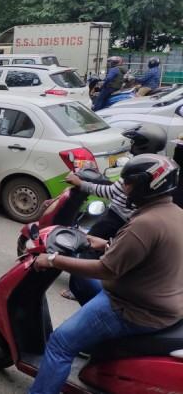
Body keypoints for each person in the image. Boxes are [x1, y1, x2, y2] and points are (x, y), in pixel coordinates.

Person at [29, 153, 183, 394]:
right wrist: (108, 245)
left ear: (146, 186)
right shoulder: (175, 213)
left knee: (60, 343)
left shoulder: (146, 223)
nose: (125, 188)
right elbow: (148, 254)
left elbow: (105, 269)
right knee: (83, 283)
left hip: (133, 310)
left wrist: (52, 259)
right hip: (162, 303)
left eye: (129, 183)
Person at [62, 123, 167, 303]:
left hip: (116, 218)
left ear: (144, 144)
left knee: (87, 248)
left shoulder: (138, 169)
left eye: (135, 141)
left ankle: (79, 288)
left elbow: (110, 192)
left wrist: (80, 184)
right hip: (131, 221)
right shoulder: (156, 166)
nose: (131, 145)